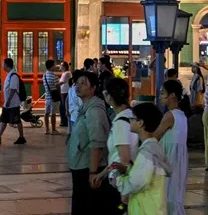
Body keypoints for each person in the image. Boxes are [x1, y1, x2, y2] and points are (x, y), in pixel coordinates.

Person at [67, 70, 116, 215]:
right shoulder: (86, 108)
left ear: (93, 88)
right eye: (77, 83)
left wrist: (93, 173)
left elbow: (97, 142)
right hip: (81, 165)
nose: (78, 86)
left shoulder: (94, 110)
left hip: (88, 168)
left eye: (83, 83)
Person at [115, 102, 172, 214]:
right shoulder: (154, 148)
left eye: (132, 118)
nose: (129, 120)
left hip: (145, 210)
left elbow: (135, 183)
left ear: (140, 123)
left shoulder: (147, 153)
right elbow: (146, 174)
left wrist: (118, 179)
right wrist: (128, 171)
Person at [92, 77, 138, 195]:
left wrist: (103, 175)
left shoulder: (120, 123)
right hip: (130, 177)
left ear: (108, 96)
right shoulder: (131, 115)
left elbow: (123, 160)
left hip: (120, 182)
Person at [154, 80, 190, 215]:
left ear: (172, 95)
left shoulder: (170, 116)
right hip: (178, 161)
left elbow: (155, 137)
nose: (160, 96)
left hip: (170, 160)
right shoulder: (182, 115)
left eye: (163, 93)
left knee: (168, 195)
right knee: (175, 196)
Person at [0, 58, 26, 145]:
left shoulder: (13, 75)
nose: (2, 66)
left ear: (6, 65)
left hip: (13, 103)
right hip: (8, 103)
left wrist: (9, 101)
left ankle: (21, 137)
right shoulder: (9, 74)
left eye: (3, 64)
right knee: (4, 119)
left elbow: (13, 89)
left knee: (17, 120)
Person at [43, 59, 61, 136]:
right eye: (54, 65)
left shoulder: (44, 75)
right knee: (53, 114)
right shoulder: (54, 76)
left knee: (46, 113)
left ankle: (47, 129)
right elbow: (57, 87)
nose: (55, 66)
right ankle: (53, 129)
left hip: (47, 96)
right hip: (54, 97)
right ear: (51, 67)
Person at [59, 61, 72, 128]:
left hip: (65, 92)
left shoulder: (67, 73)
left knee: (64, 107)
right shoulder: (64, 73)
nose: (60, 67)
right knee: (61, 107)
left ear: (64, 66)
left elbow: (61, 82)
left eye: (61, 66)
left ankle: (65, 121)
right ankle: (63, 120)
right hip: (62, 92)